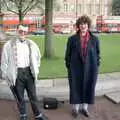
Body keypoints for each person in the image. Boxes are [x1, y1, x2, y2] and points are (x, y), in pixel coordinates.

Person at [1, 24, 49, 120]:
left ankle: (38, 115)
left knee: (33, 95)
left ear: (27, 32)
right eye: (21, 31)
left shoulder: (31, 44)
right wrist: (5, 75)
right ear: (17, 31)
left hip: (29, 72)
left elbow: (38, 57)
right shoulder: (8, 45)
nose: (23, 33)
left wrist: (36, 68)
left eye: (25, 32)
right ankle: (23, 114)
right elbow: (4, 61)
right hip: (17, 73)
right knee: (19, 96)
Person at [65, 15, 100, 118]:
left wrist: (96, 66)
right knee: (75, 88)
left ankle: (84, 108)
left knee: (88, 87)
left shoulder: (94, 39)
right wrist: (69, 67)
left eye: (85, 24)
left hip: (90, 69)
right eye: (81, 24)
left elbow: (98, 54)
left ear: (88, 25)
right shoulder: (72, 39)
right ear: (78, 26)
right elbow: (67, 55)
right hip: (75, 69)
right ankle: (75, 109)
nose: (83, 26)